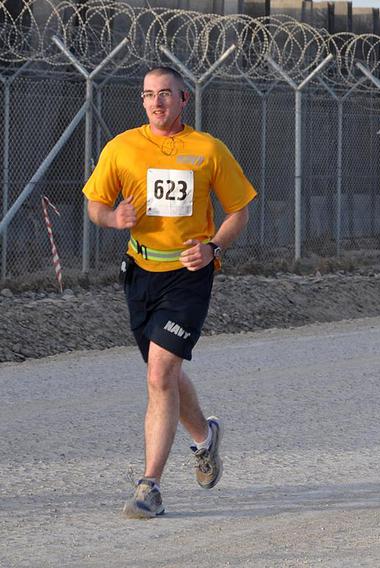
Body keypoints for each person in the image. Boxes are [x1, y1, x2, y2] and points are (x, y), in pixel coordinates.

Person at [82, 66, 257, 518]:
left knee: (160, 374)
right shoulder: (122, 147)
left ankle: (149, 486)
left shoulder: (208, 149)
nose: (156, 102)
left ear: (184, 100)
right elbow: (95, 205)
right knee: (167, 373)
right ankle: (205, 437)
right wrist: (112, 218)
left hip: (188, 274)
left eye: (165, 94)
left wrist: (213, 245)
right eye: (148, 95)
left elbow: (239, 211)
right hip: (140, 273)